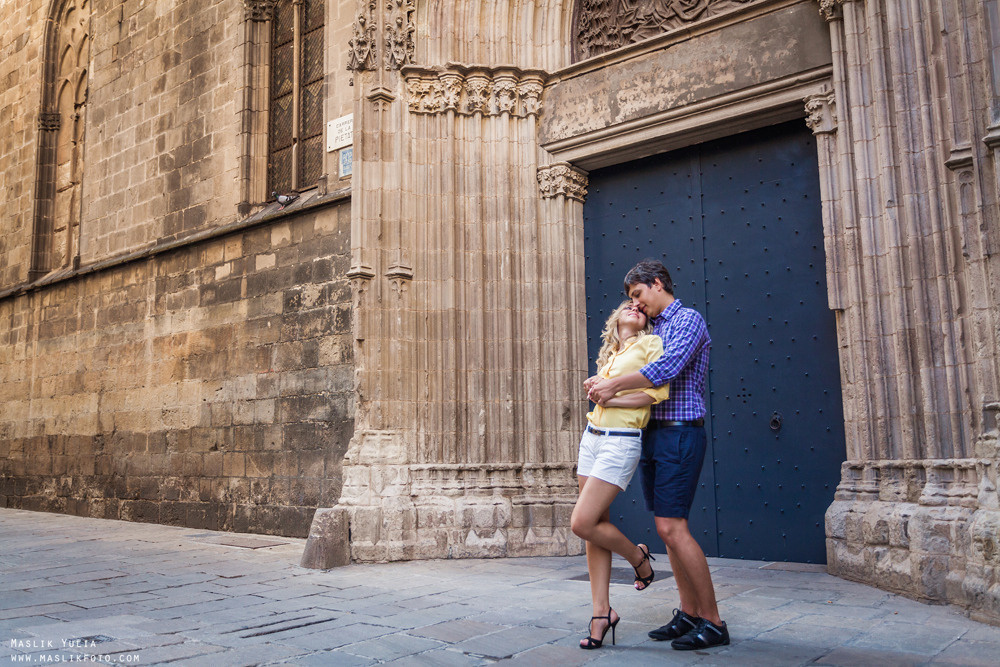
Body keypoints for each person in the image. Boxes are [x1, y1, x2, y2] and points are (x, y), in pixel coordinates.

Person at [587, 259, 729, 651]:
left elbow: (667, 368)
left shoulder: (688, 320)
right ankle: (689, 613)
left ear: (655, 284)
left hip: (680, 434)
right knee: (667, 530)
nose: (636, 304)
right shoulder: (655, 328)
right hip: (652, 434)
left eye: (637, 295)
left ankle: (714, 622)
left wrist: (612, 386)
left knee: (673, 529)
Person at [571, 301, 670, 650]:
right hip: (592, 439)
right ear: (615, 317)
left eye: (640, 305)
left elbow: (654, 394)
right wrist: (599, 389)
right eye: (627, 304)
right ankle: (602, 613)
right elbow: (605, 396)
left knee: (581, 522)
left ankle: (638, 558)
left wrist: (608, 398)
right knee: (594, 529)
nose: (634, 306)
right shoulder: (611, 351)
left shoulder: (650, 344)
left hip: (622, 441)